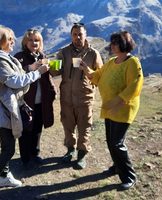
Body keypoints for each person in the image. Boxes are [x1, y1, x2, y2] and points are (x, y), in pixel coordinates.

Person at [0, 25, 49, 200]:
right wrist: (38, 73)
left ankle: (3, 177)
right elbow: (15, 81)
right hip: (1, 109)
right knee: (8, 150)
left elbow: (15, 77)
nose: (13, 41)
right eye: (9, 38)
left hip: (8, 106)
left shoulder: (2, 57)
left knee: (8, 147)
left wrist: (31, 69)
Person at [79, 31, 143, 189]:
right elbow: (97, 76)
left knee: (117, 142)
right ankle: (116, 167)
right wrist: (86, 69)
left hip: (123, 108)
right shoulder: (111, 62)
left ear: (124, 44)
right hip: (110, 108)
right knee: (111, 140)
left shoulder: (133, 63)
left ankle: (129, 176)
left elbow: (134, 87)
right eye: (111, 42)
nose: (111, 45)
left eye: (115, 42)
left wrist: (117, 103)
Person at [49, 23, 103, 169]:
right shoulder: (64, 52)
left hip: (85, 98)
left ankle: (82, 154)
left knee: (84, 126)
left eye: (80, 34)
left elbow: (100, 76)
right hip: (66, 98)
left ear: (85, 35)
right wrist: (49, 64)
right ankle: (70, 150)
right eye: (75, 34)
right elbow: (55, 71)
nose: (77, 37)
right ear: (71, 35)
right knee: (68, 125)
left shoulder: (93, 54)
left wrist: (88, 71)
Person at [14, 29, 57, 170]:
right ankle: (25, 158)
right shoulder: (19, 57)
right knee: (26, 130)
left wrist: (53, 91)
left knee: (38, 128)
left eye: (37, 40)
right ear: (25, 42)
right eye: (31, 40)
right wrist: (30, 68)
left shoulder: (42, 56)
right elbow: (16, 75)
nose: (34, 43)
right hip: (26, 102)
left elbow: (47, 76)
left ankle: (35, 153)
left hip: (41, 100)